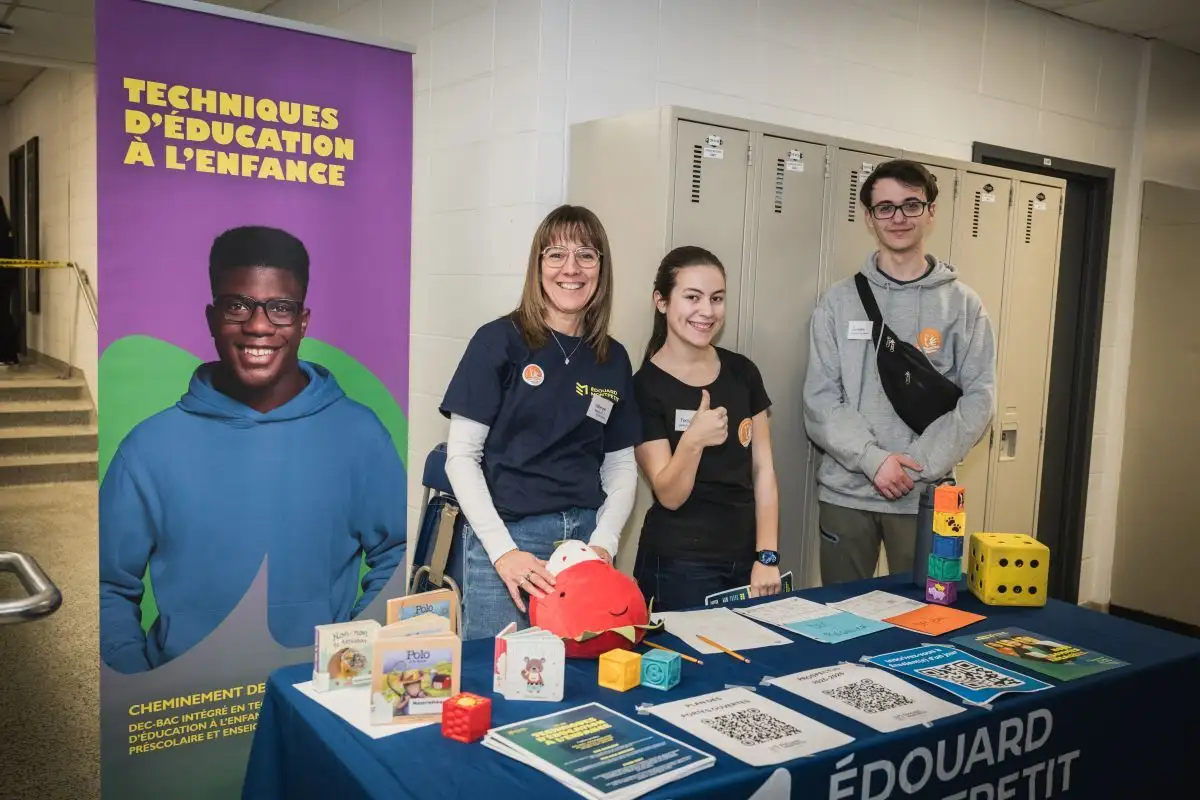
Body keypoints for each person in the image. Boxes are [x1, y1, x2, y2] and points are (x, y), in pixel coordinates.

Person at [99, 225, 407, 673]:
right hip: (186, 708)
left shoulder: (359, 434)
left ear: (303, 322)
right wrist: (134, 681)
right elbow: (109, 584)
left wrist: (353, 659)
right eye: (237, 305)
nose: (258, 325)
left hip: (318, 696)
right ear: (211, 318)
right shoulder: (147, 448)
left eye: (280, 308)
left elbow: (394, 553)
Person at [440, 205, 641, 640]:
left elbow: (621, 465)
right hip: (509, 544)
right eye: (556, 255)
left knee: (581, 681)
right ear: (538, 265)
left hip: (584, 545)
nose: (572, 269)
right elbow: (460, 458)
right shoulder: (498, 341)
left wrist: (605, 543)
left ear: (601, 268)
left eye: (586, 255)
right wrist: (503, 552)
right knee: (501, 682)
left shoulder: (613, 358)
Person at [803, 159, 996, 584]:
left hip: (925, 497)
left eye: (911, 204)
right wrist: (874, 461)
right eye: (886, 208)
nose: (899, 217)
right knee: (844, 619)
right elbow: (820, 401)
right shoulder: (838, 302)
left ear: (931, 211)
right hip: (847, 495)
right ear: (870, 219)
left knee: (926, 621)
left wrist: (919, 464)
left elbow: (979, 400)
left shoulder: (964, 306)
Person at [631, 246, 782, 611]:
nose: (707, 311)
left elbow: (763, 470)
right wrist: (693, 442)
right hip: (679, 566)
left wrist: (767, 556)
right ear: (662, 302)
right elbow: (670, 495)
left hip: (748, 558)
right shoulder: (643, 387)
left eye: (716, 299)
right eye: (692, 297)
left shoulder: (743, 373)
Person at [0, 197, 19, 366]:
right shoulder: (8, 232)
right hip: (7, 278)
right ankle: (10, 355)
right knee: (5, 313)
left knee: (3, 315)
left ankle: (5, 354)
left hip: (2, 277)